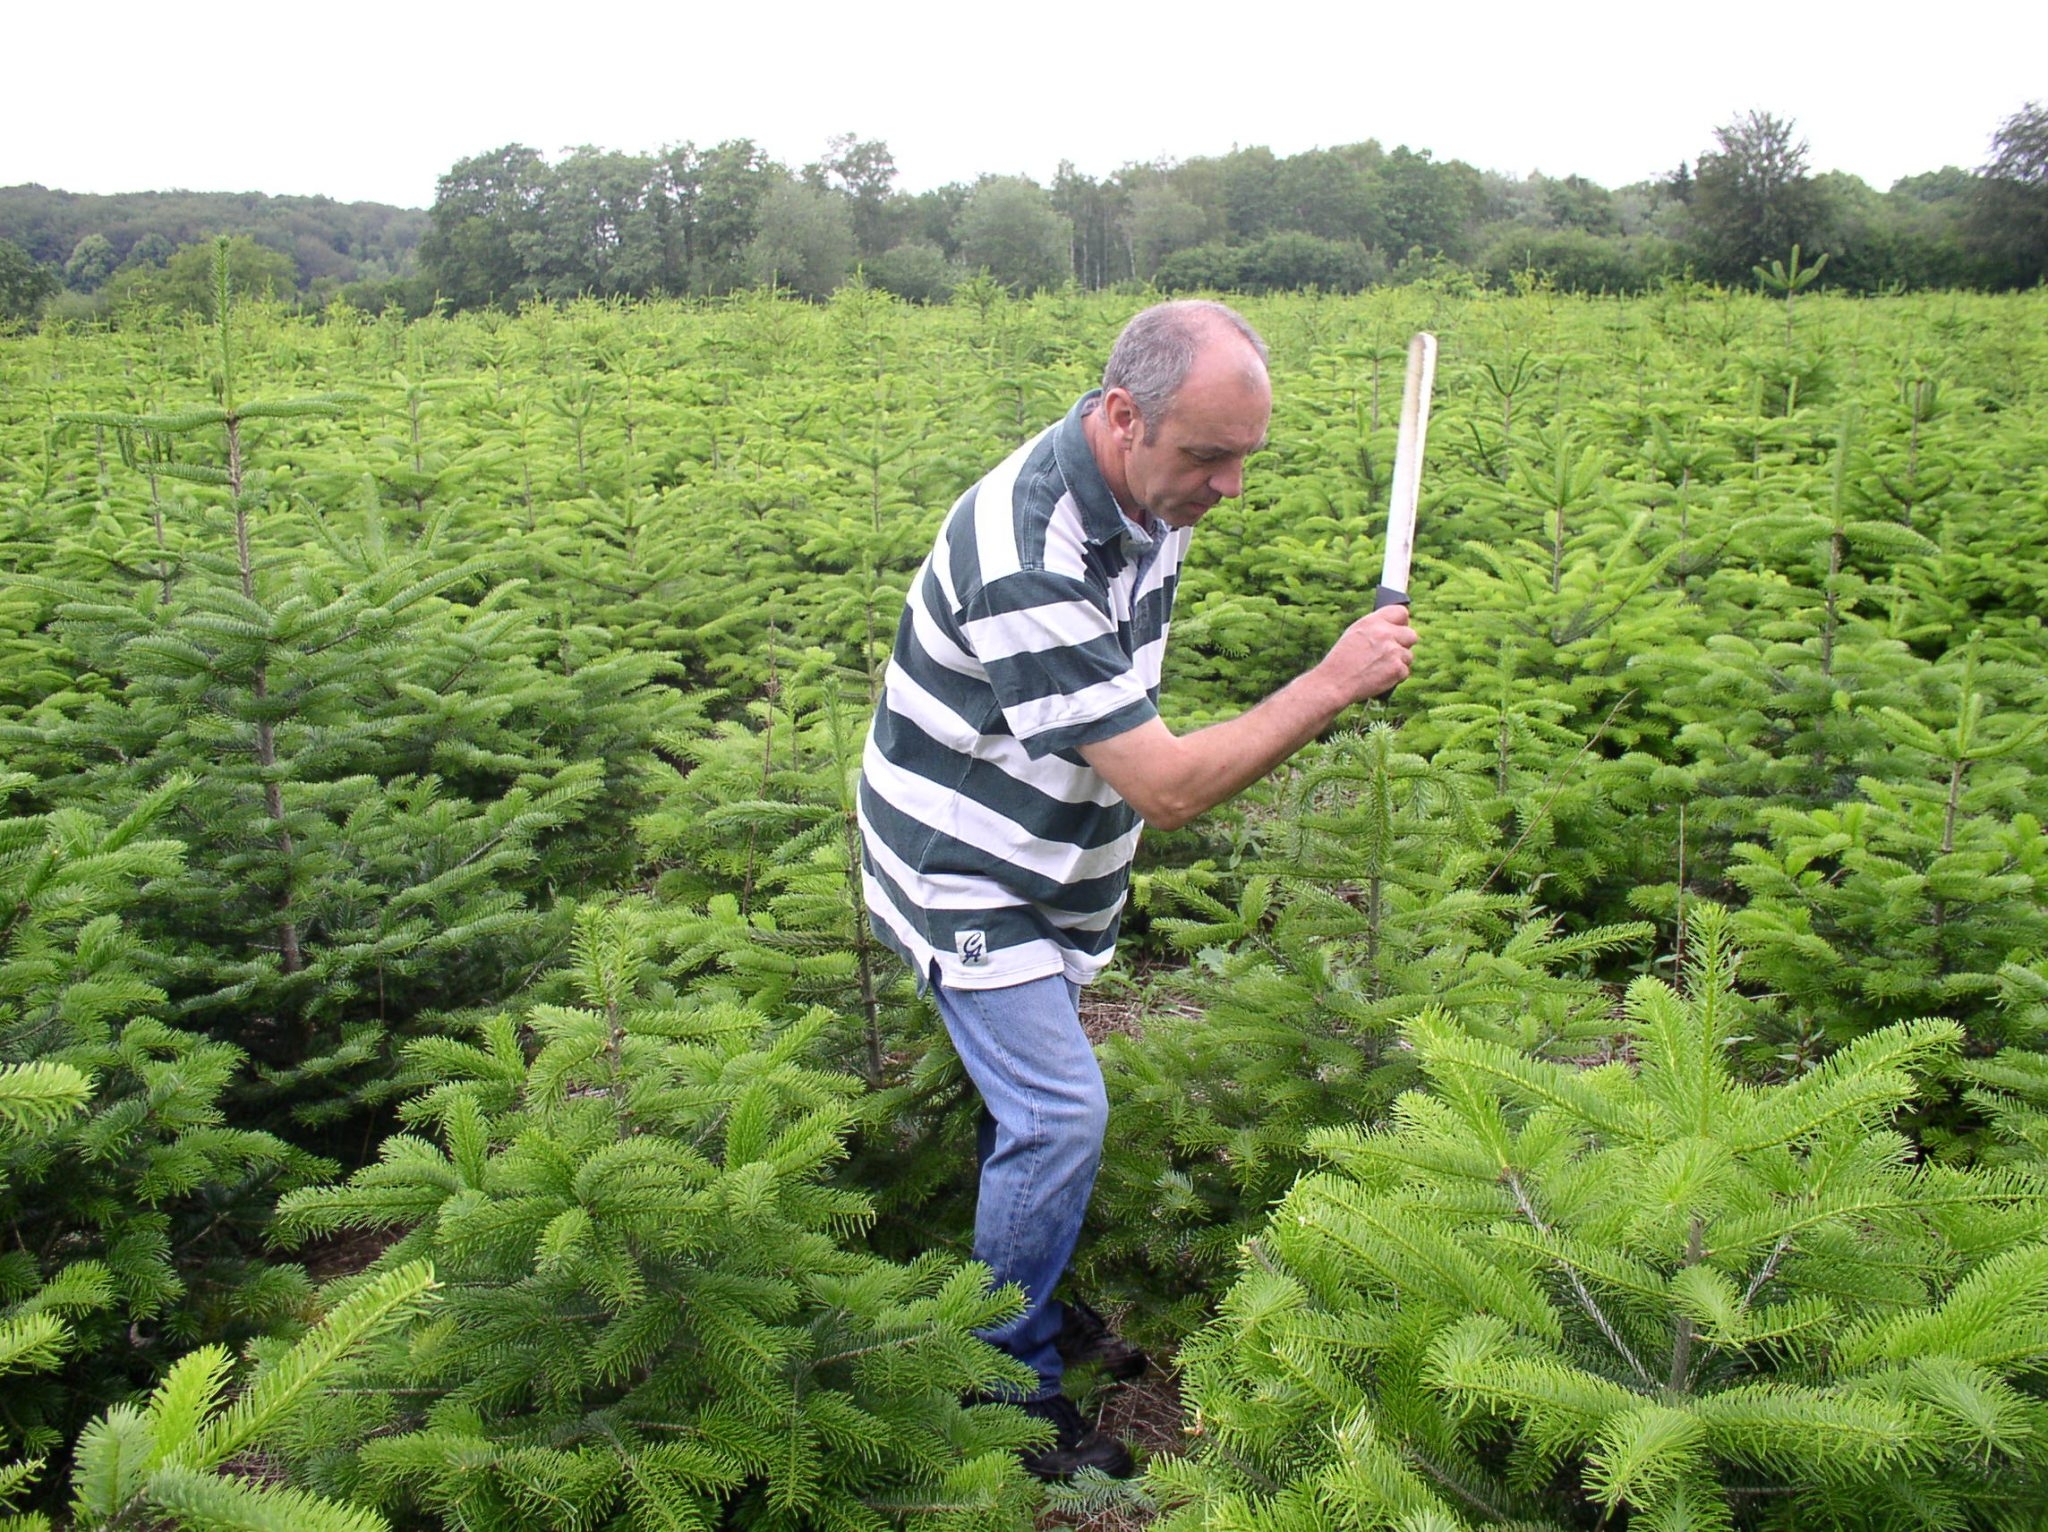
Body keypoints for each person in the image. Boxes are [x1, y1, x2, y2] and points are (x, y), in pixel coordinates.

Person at [856, 300, 1417, 1480]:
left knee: (1035, 1104)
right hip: (961, 852)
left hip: (1054, 836)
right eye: (1207, 457)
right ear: (1122, 416)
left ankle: (1027, 1289)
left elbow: (1119, 722)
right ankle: (998, 1380)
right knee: (1058, 1111)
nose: (1228, 488)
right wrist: (1325, 682)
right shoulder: (1027, 557)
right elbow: (1163, 782)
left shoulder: (1143, 486)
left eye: (1244, 457)